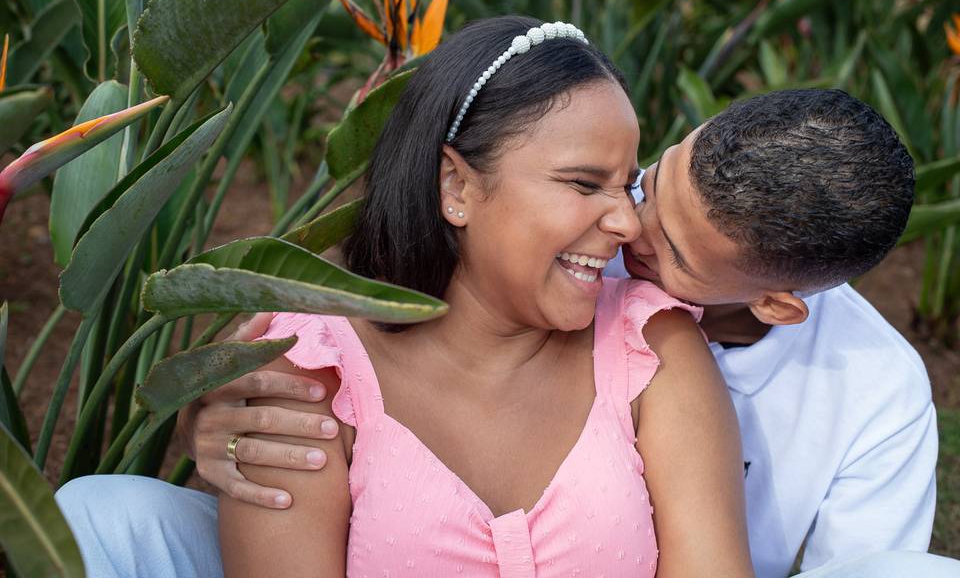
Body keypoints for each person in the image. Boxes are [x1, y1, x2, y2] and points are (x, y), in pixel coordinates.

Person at [58, 16, 754, 577]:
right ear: (456, 186)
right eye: (582, 183)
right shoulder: (309, 371)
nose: (626, 222)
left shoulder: (649, 347)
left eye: (626, 183)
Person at [168, 89, 953, 577]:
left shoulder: (876, 394)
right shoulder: (579, 242)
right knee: (111, 513)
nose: (626, 225)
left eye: (673, 252)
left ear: (777, 304)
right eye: (652, 181)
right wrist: (212, 404)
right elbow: (409, 247)